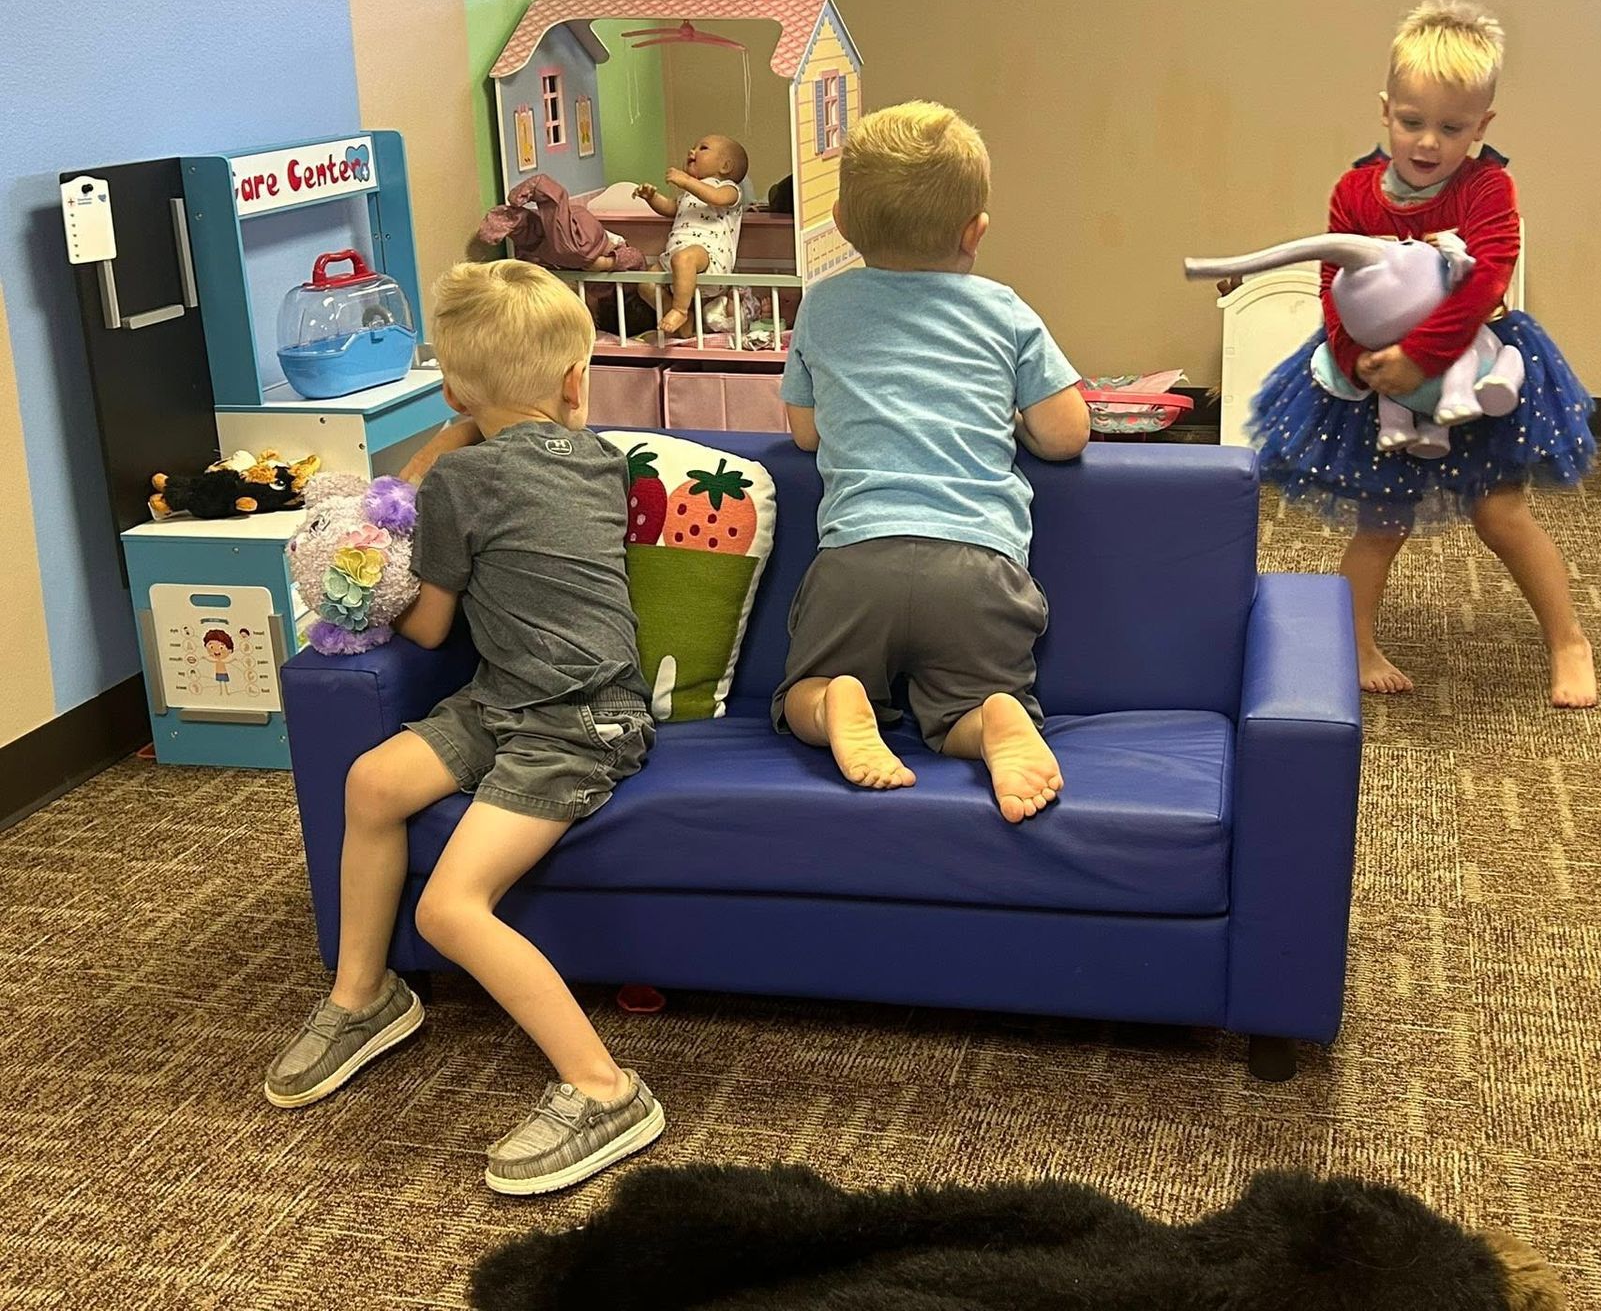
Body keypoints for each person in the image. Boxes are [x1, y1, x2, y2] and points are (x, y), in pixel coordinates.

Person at [264, 261, 663, 1196]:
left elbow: (429, 623)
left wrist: (443, 437)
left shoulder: (460, 483)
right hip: (506, 703)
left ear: (451, 389)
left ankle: (607, 1090)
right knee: (374, 783)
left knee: (447, 909)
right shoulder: (604, 458)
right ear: (576, 384)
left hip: (577, 724)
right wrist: (470, 421)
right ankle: (363, 998)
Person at [1246, 0, 1599, 708]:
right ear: (1386, 111)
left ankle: (1569, 640)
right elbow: (1335, 283)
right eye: (1413, 122)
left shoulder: (1487, 188)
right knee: (1383, 519)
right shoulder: (1353, 192)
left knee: (1501, 515)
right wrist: (1356, 361)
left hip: (1475, 365)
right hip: (1377, 375)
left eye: (1452, 127)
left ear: (1484, 125)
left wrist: (1422, 359)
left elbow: (1487, 280)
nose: (1429, 143)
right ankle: (1357, 640)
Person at [774, 101, 1091, 823]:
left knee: (801, 695)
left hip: (858, 560)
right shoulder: (1003, 310)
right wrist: (1012, 424)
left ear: (844, 224)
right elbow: (1067, 433)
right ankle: (994, 722)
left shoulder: (822, 307)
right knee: (962, 712)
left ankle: (835, 704)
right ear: (975, 229)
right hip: (976, 565)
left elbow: (804, 433)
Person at [635, 134, 749, 336]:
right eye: (693, 146)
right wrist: (652, 198)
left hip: (709, 260)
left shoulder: (730, 189)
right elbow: (670, 208)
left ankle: (680, 310)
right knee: (645, 283)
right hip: (675, 260)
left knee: (684, 258)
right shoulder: (689, 195)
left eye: (702, 148)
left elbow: (716, 198)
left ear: (725, 166)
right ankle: (684, 321)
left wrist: (686, 180)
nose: (692, 151)